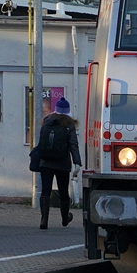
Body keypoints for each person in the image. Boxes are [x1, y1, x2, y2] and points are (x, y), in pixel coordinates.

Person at [36, 97, 82, 229]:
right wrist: (77, 163)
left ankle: (44, 220)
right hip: (62, 163)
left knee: (45, 191)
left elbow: (41, 143)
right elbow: (73, 145)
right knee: (63, 191)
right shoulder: (69, 124)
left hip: (45, 162)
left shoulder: (46, 121)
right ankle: (64, 219)